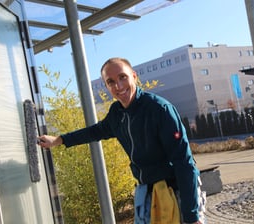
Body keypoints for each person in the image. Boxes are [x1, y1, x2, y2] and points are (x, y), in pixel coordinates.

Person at [38, 57, 206, 224]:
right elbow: (95, 131)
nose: (118, 86)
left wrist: (191, 216)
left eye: (122, 77)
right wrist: (58, 140)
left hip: (176, 190)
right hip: (146, 190)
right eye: (110, 82)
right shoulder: (117, 113)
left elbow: (184, 163)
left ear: (134, 76)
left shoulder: (159, 109)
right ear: (106, 86)